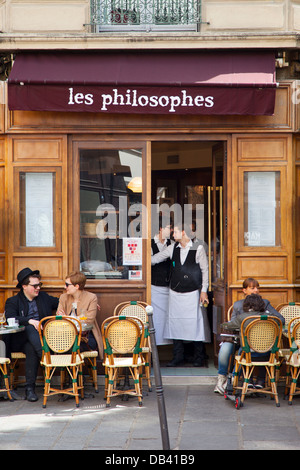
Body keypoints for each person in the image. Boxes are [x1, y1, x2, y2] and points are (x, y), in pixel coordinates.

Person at [151, 223, 210, 367]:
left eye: (175, 232)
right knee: (175, 324)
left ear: (183, 232)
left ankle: (198, 357)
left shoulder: (198, 248)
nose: (173, 234)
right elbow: (154, 260)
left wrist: (204, 291)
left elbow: (205, 270)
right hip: (175, 293)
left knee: (194, 324)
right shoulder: (172, 248)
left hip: (193, 293)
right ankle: (178, 356)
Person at [214, 277, 285, 394]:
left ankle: (248, 380)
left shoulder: (265, 303)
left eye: (257, 288)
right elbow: (232, 326)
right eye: (252, 288)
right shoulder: (238, 305)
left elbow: (281, 319)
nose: (256, 290)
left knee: (257, 348)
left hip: (261, 341)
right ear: (244, 290)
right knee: (225, 349)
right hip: (238, 339)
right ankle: (221, 379)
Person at [4, 267, 59, 402]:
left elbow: (61, 302)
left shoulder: (44, 298)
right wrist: (29, 320)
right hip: (18, 339)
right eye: (34, 285)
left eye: (39, 285)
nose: (38, 288)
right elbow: (10, 318)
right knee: (29, 328)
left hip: (34, 341)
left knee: (31, 349)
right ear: (24, 286)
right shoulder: (13, 301)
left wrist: (82, 304)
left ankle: (30, 389)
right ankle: (45, 356)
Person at [57, 271, 103, 359]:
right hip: (66, 337)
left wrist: (67, 318)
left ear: (76, 286)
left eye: (67, 285)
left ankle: (73, 372)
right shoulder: (63, 297)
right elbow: (59, 317)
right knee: (64, 345)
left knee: (71, 347)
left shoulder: (91, 298)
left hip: (86, 338)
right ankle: (73, 372)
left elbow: (89, 320)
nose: (64, 287)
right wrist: (79, 318)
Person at [151, 219, 173, 346]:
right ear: (160, 229)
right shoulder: (149, 243)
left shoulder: (173, 244)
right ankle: (156, 345)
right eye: (168, 228)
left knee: (168, 318)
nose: (170, 231)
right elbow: (149, 262)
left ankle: (170, 346)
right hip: (154, 287)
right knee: (156, 318)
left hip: (169, 287)